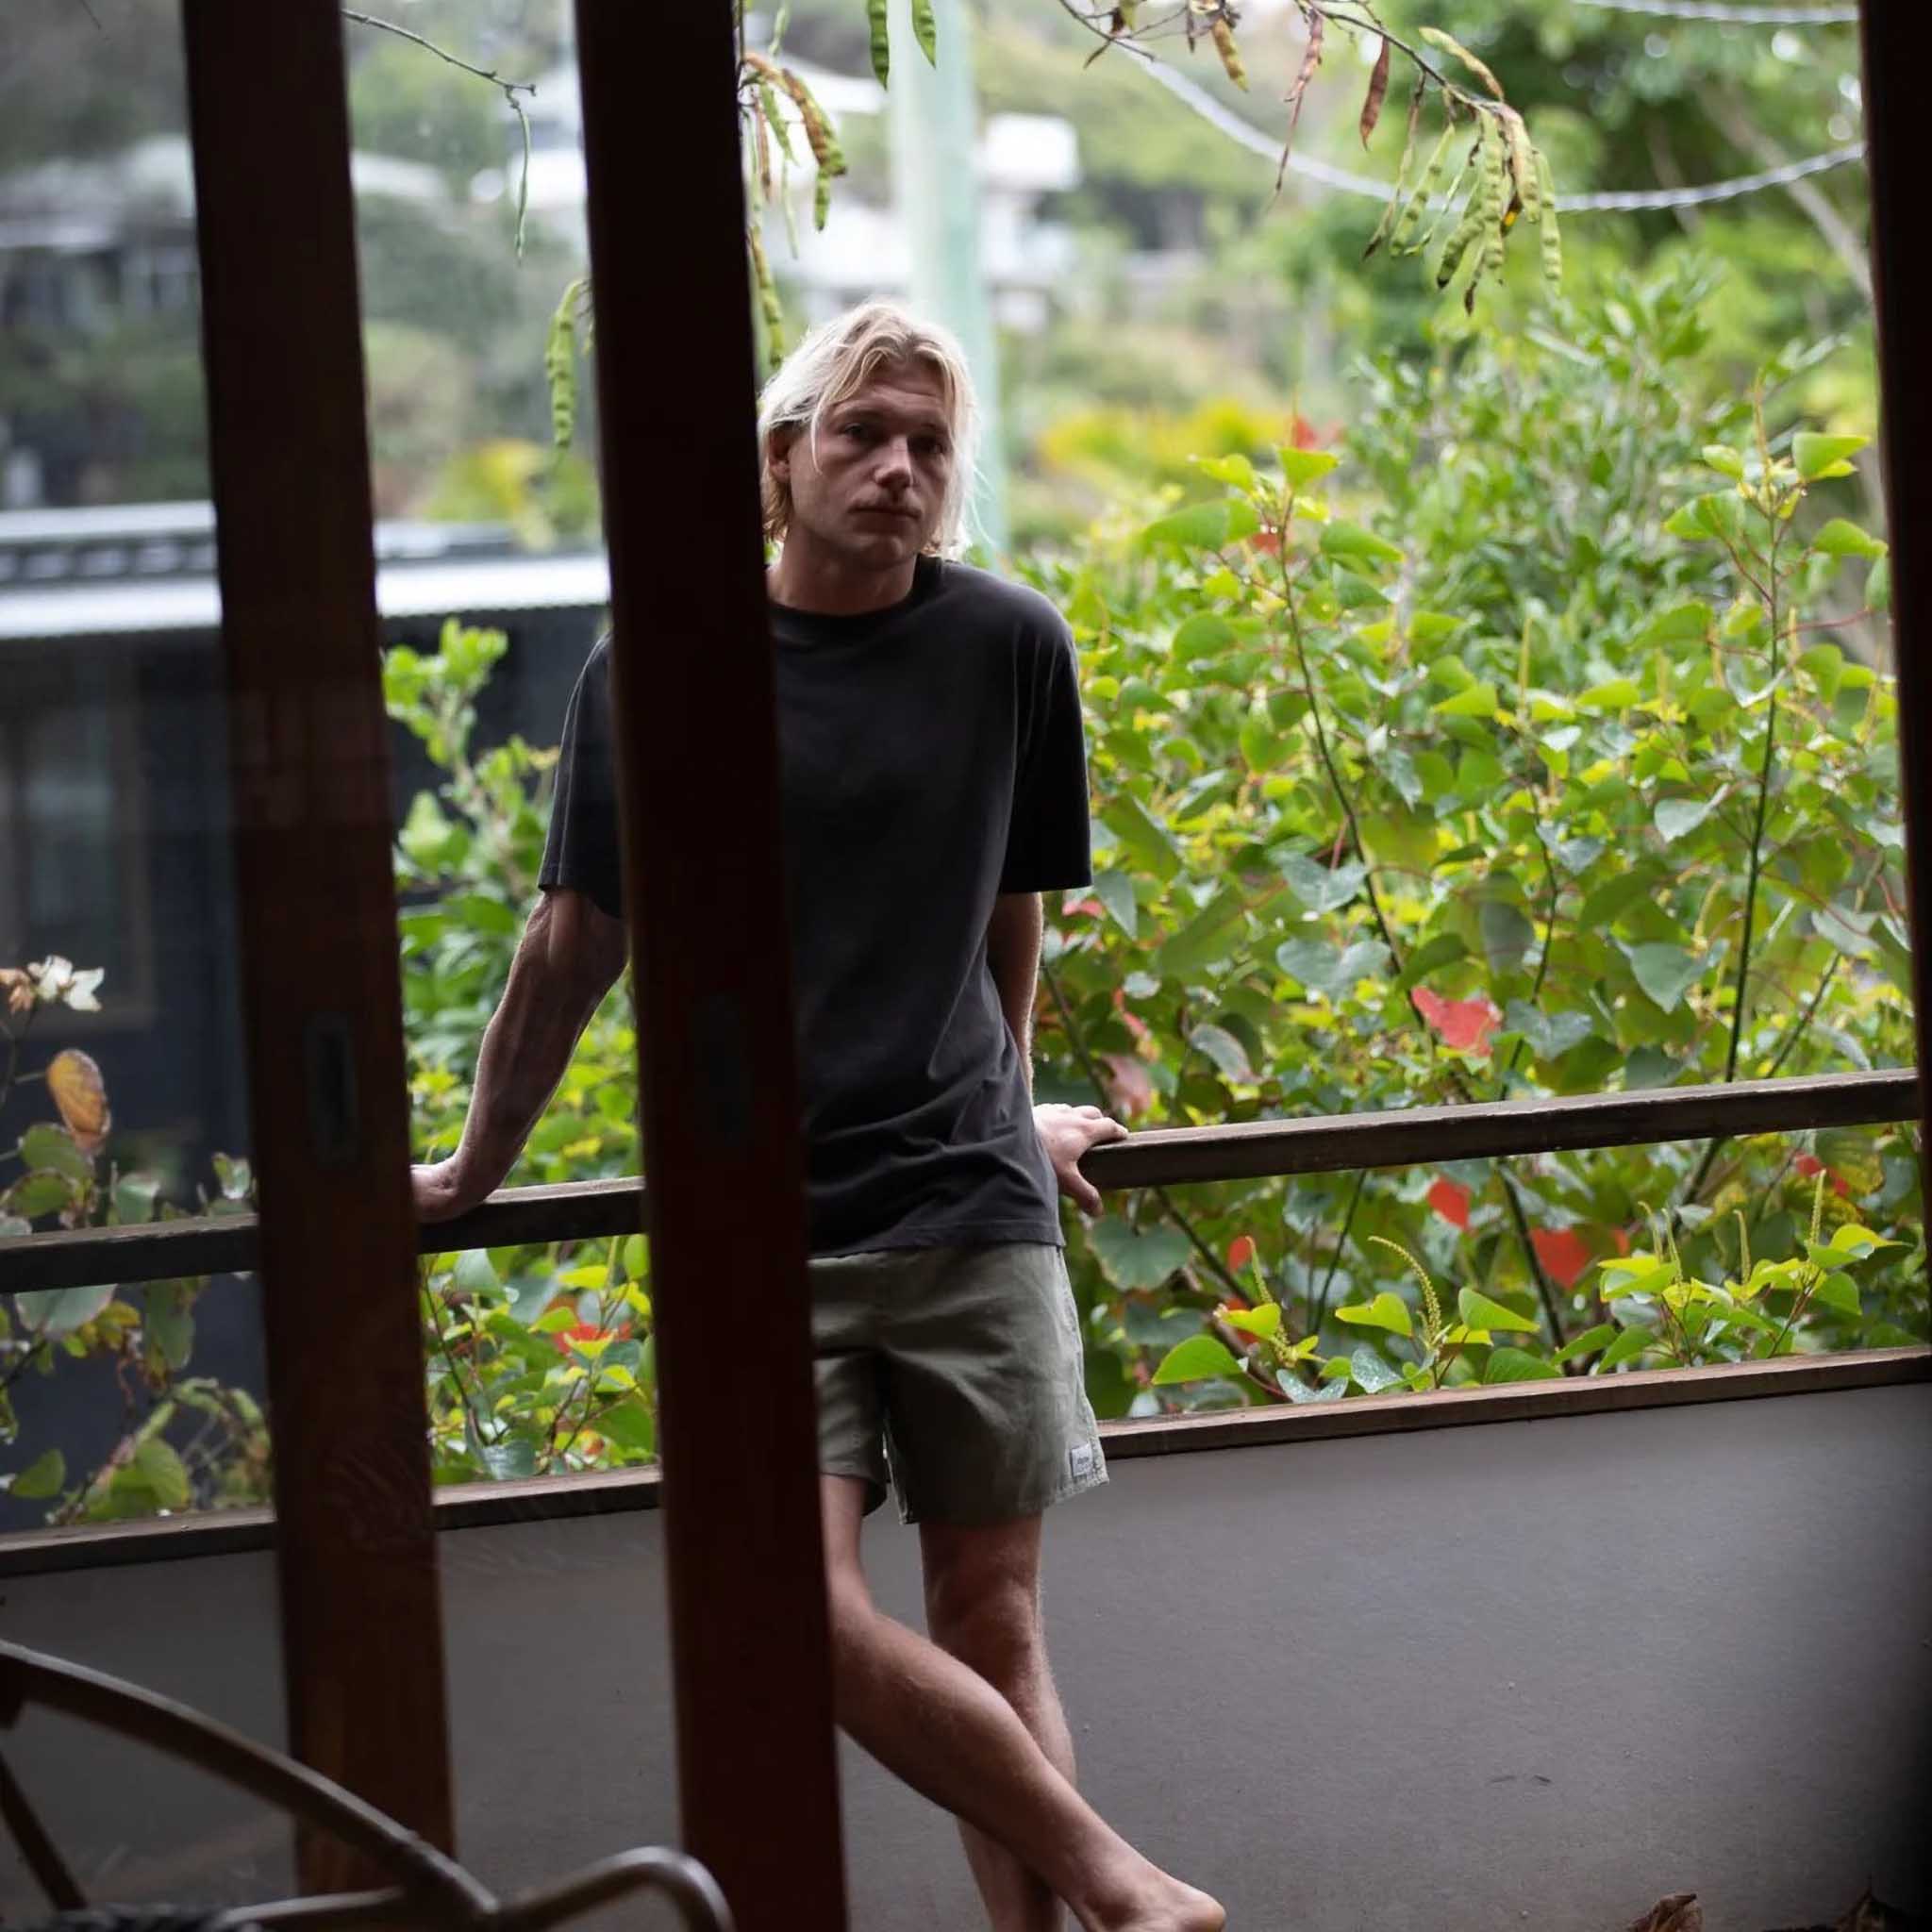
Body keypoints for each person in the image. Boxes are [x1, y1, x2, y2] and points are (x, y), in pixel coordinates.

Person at [413, 300, 1224, 1932]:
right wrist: (465, 1173)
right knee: (790, 1600)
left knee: (994, 1622)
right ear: (782, 460)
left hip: (971, 1211)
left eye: (929, 443)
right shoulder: (664, 665)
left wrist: (1009, 1105)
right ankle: (1126, 1886)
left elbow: (1007, 908)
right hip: (756, 1226)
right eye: (862, 433)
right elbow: (573, 943)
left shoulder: (1010, 645)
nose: (899, 467)